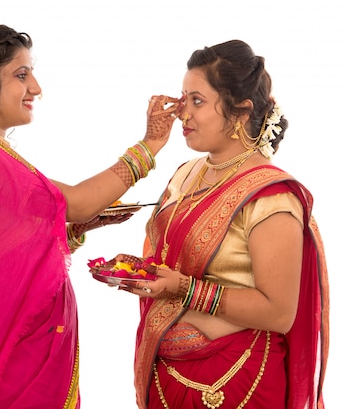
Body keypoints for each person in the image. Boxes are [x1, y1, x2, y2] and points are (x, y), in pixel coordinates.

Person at [0, 16, 183, 408]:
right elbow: (78, 201)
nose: (35, 88)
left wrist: (72, 230)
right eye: (21, 75)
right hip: (1, 374)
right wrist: (151, 144)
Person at [99, 40, 329, 408]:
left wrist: (184, 290)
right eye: (183, 99)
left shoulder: (270, 197)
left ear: (240, 112)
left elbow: (280, 312)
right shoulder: (186, 174)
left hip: (236, 382)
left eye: (197, 101)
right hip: (167, 373)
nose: (183, 114)